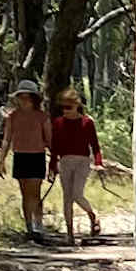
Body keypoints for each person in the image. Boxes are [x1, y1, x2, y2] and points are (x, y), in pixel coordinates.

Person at [48, 86, 120, 244]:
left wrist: (99, 163)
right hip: (65, 161)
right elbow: (55, 146)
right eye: (63, 107)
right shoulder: (58, 123)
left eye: (69, 107)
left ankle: (92, 214)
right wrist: (52, 166)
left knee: (76, 194)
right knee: (67, 198)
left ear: (77, 105)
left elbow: (95, 145)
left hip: (82, 161)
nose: (65, 111)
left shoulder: (87, 122)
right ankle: (69, 234)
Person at [0, 78, 53, 242]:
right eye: (21, 97)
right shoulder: (12, 117)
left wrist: (55, 160)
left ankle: (38, 226)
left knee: (35, 193)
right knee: (25, 193)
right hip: (20, 156)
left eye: (27, 97)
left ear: (34, 99)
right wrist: (1, 161)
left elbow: (49, 140)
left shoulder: (42, 116)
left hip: (37, 156)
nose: (24, 100)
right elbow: (7, 139)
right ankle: (29, 227)